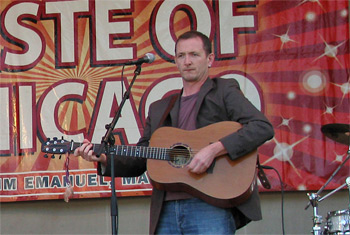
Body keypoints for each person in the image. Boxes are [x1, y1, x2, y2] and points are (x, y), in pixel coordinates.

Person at [74, 30, 274, 234]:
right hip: (166, 209)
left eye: (194, 55)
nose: (187, 61)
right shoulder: (160, 108)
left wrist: (214, 150)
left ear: (210, 59)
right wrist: (104, 159)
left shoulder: (224, 91)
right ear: (176, 61)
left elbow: (261, 127)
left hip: (211, 205)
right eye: (181, 56)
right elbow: (143, 157)